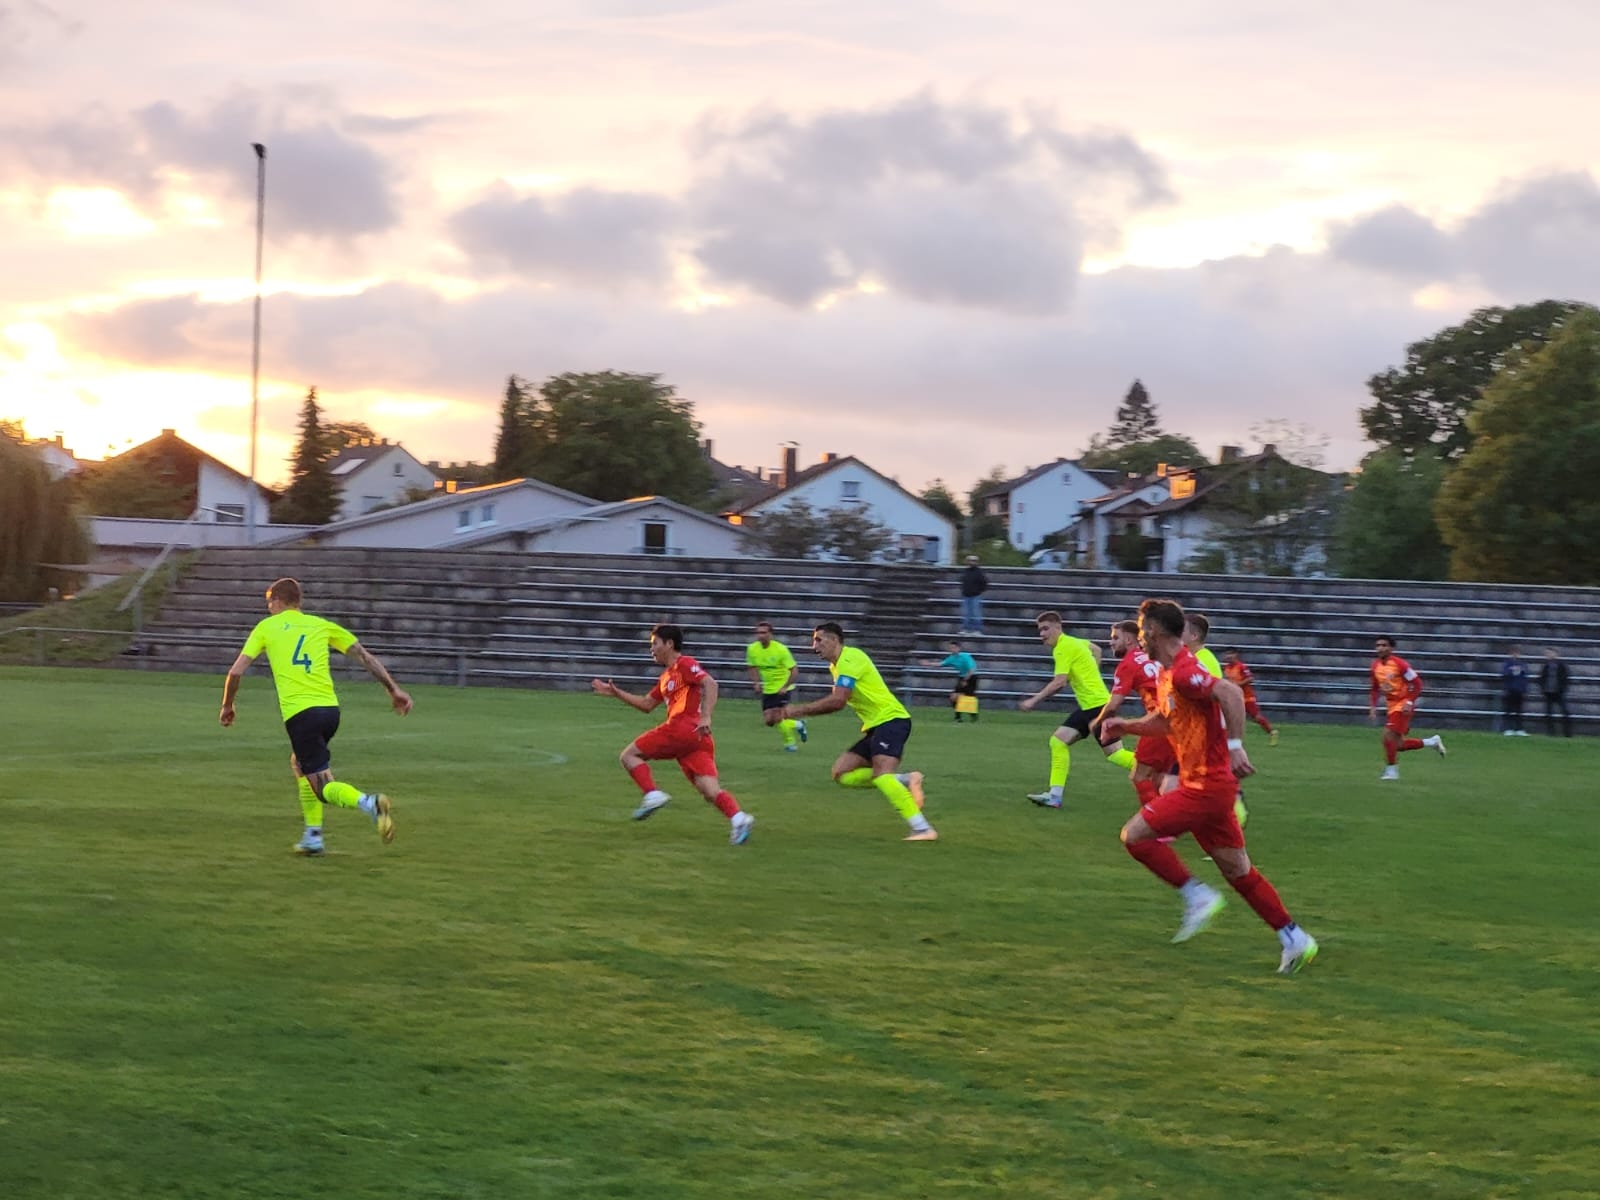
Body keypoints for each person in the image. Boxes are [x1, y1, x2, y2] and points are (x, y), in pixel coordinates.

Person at [1099, 598, 1318, 975]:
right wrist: (1126, 726)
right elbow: (1168, 723)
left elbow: (1230, 693)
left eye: (1141, 628)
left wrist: (1235, 746)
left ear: (1153, 630)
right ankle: (1294, 937)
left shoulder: (1184, 670)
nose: (1139, 639)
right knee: (1239, 872)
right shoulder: (1169, 673)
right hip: (1209, 787)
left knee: (1134, 836)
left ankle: (1197, 896)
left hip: (1204, 786)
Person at [219, 576, 408, 856]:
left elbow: (235, 671)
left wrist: (227, 706)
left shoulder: (267, 627)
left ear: (279, 601)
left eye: (269, 602)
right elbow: (365, 657)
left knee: (322, 787)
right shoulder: (321, 625)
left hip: (301, 715)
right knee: (300, 764)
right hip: (330, 711)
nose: (268, 607)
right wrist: (394, 690)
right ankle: (313, 836)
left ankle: (369, 802)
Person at [769, 622, 937, 841]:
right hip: (876, 726)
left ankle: (923, 828)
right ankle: (905, 779)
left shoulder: (851, 658)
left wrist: (797, 711)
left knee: (882, 774)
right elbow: (837, 701)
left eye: (819, 640)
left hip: (892, 720)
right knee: (842, 773)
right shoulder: (836, 666)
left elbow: (838, 701)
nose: (814, 646)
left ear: (835, 640)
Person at [592, 624, 754, 846]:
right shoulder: (666, 677)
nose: (652, 649)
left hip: (684, 727)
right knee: (709, 790)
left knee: (629, 756)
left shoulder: (684, 664)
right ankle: (739, 819)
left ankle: (652, 794)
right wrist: (616, 693)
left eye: (655, 644)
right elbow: (647, 704)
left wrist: (706, 716)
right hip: (696, 739)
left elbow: (710, 683)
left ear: (669, 644)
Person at [1019, 610, 1137, 808]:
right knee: (1058, 741)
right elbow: (1096, 649)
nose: (1042, 634)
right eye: (1040, 630)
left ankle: (1166, 770)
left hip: (1098, 707)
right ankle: (1054, 796)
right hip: (1091, 706)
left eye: (1046, 629)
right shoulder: (1075, 642)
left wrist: (1033, 700)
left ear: (1058, 627)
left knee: (1116, 755)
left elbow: (1060, 682)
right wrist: (1092, 674)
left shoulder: (1063, 648)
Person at [1091, 619, 1173, 810]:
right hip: (1179, 720)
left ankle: (1158, 824)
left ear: (1129, 639)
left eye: (1115, 638)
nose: (1111, 642)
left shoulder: (1127, 664)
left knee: (1139, 776)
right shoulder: (1153, 656)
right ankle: (1167, 819)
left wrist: (1098, 723)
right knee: (1158, 777)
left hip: (1159, 721)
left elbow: (1113, 704)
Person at [1370, 635, 1447, 780]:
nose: (1380, 648)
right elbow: (1374, 687)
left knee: (1387, 736)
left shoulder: (1400, 664)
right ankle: (1432, 742)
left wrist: (1410, 701)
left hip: (1402, 705)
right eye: (1378, 645)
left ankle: (1392, 771)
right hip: (1391, 705)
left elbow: (1417, 683)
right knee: (1398, 745)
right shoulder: (1375, 666)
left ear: (1391, 648)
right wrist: (1373, 706)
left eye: (1384, 645)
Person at [746, 620, 807, 751]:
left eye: (764, 632)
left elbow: (794, 670)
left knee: (780, 717)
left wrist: (785, 686)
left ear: (770, 634)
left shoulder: (780, 650)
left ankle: (790, 744)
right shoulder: (752, 649)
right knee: (769, 721)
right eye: (758, 633)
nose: (760, 635)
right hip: (768, 689)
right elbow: (751, 667)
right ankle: (798, 724)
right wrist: (756, 682)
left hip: (782, 689)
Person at [1221, 648, 1279, 746]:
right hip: (1235, 697)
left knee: (1256, 717)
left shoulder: (1241, 667)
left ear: (1235, 655)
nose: (1227, 657)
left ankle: (1272, 732)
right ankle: (1230, 739)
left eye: (1230, 654)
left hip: (1246, 697)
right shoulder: (1227, 668)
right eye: (1226, 654)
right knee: (1230, 717)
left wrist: (1238, 684)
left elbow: (1250, 678)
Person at [921, 638, 980, 721]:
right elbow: (941, 664)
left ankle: (973, 715)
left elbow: (972, 670)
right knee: (954, 697)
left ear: (958, 648)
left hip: (971, 677)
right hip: (962, 677)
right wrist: (928, 664)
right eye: (951, 648)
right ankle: (958, 717)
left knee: (968, 698)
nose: (952, 650)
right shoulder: (952, 658)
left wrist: (965, 680)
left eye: (954, 648)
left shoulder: (966, 656)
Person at [1539, 647, 1574, 737]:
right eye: (1547, 654)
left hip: (1559, 692)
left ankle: (1567, 733)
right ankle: (1551, 732)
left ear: (1556, 654)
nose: (1548, 655)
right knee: (1548, 713)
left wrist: (1562, 689)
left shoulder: (1562, 665)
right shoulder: (1545, 666)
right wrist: (1543, 689)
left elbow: (1566, 678)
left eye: (1550, 653)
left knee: (1565, 712)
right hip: (1548, 692)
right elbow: (1541, 678)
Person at [1499, 645, 1530, 736]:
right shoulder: (1507, 664)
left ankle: (1519, 729)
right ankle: (1508, 729)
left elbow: (1525, 678)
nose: (1515, 655)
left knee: (1519, 711)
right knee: (1508, 710)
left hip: (1519, 690)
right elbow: (1504, 676)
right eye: (1513, 653)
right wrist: (1511, 671)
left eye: (1517, 653)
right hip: (1510, 690)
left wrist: (1524, 690)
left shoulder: (1522, 664)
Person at [1183, 613, 1223, 679]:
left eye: (1182, 631)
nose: (1177, 634)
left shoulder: (1202, 663)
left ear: (1194, 636)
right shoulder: (1192, 657)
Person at [959, 555, 989, 635]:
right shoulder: (965, 571)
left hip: (975, 596)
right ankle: (965, 629)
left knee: (976, 614)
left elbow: (984, 583)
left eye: (974, 561)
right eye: (970, 560)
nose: (972, 562)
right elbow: (962, 581)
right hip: (966, 595)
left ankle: (977, 630)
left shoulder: (979, 572)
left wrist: (979, 591)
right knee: (965, 614)